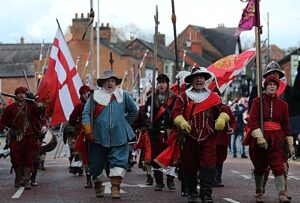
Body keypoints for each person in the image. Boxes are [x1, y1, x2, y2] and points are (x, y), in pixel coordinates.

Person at [171, 67, 231, 203]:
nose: (199, 80)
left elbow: (224, 109)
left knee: (208, 166)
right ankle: (192, 192)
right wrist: (181, 121)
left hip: (208, 137)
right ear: (191, 80)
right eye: (196, 77)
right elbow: (175, 112)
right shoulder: (183, 96)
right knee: (189, 166)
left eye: (202, 77)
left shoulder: (214, 96)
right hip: (188, 137)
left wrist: (222, 117)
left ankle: (206, 193)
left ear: (205, 79)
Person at [82, 70, 137, 199]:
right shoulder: (94, 96)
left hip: (119, 136)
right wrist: (89, 131)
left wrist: (124, 124)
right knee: (95, 165)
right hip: (98, 137)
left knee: (119, 162)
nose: (110, 83)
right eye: (107, 81)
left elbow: (133, 110)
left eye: (112, 81)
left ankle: (115, 187)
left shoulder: (123, 95)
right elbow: (86, 114)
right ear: (102, 83)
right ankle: (98, 185)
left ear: (115, 83)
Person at [247, 60, 292, 199]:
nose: (272, 85)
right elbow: (252, 115)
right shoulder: (257, 96)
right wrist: (258, 135)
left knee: (280, 165)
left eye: (276, 77)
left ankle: (283, 194)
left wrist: (289, 140)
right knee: (260, 166)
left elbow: (286, 122)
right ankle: (259, 190)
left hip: (278, 137)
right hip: (261, 132)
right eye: (270, 81)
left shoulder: (285, 97)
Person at [0, 87, 47, 189]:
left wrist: (40, 107)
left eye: (23, 93)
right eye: (19, 93)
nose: (21, 95)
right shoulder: (10, 108)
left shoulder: (31, 106)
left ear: (26, 95)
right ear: (16, 96)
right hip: (16, 137)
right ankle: (18, 177)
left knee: (29, 158)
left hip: (30, 137)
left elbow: (40, 116)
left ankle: (26, 181)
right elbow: (3, 121)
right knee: (16, 159)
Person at [142, 74, 177, 192]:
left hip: (170, 132)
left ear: (168, 84)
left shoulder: (175, 98)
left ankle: (170, 180)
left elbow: (178, 112)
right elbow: (146, 114)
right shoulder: (151, 99)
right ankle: (159, 182)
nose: (161, 85)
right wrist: (149, 126)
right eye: (159, 83)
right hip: (155, 133)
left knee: (171, 157)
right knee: (156, 157)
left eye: (163, 82)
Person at [69, 85, 93, 188]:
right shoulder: (79, 106)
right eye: (84, 94)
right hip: (85, 134)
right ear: (81, 95)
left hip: (98, 132)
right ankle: (88, 179)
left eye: (88, 94)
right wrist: (79, 125)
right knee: (87, 156)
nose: (86, 96)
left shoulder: (96, 104)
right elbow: (71, 120)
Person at [214, 102, 237, 187]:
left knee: (220, 160)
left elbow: (233, 121)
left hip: (223, 138)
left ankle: (218, 179)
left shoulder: (225, 108)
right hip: (210, 138)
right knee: (209, 159)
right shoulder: (207, 106)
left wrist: (232, 129)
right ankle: (209, 178)